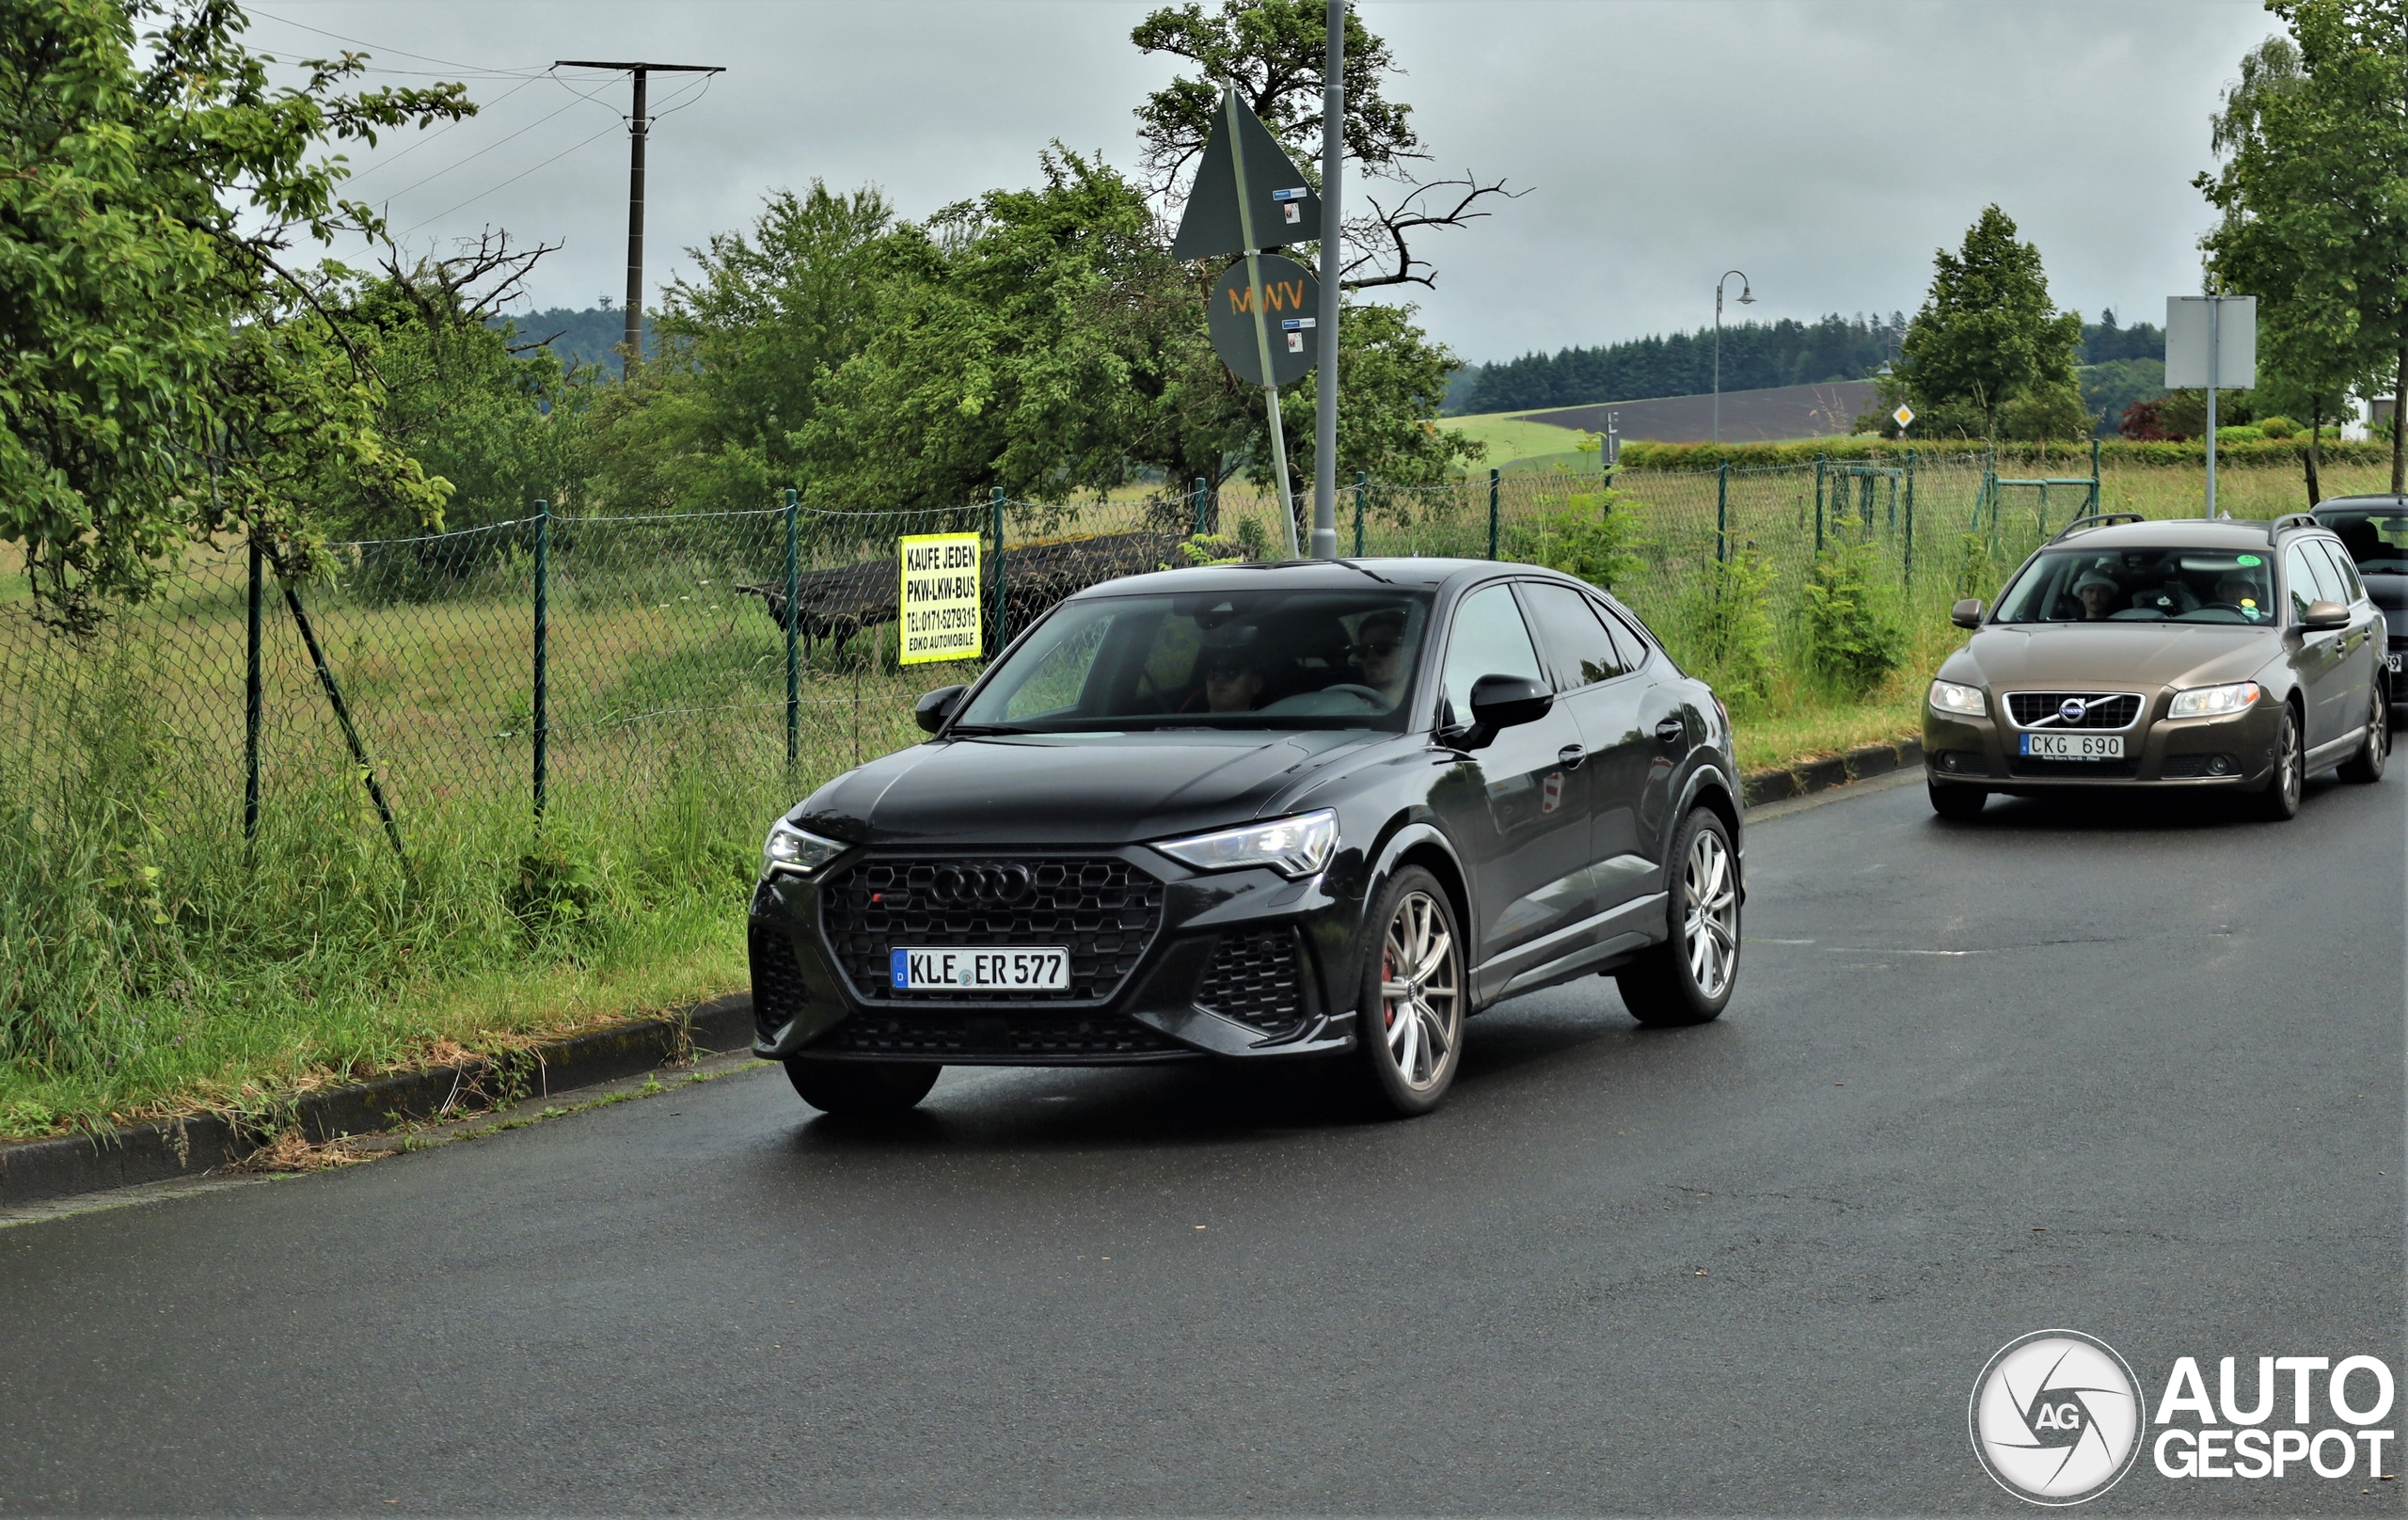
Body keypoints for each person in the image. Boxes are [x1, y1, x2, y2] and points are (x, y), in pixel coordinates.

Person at [1351, 610, 1414, 707]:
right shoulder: (1353, 708)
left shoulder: (1427, 707)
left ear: (1410, 654)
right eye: (1363, 650)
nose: (1371, 656)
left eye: (1383, 648)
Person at [1199, 646, 1264, 713]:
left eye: (1232, 671)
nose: (1219, 678)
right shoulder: (1189, 720)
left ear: (1256, 684)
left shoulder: (1269, 720)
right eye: (1212, 671)